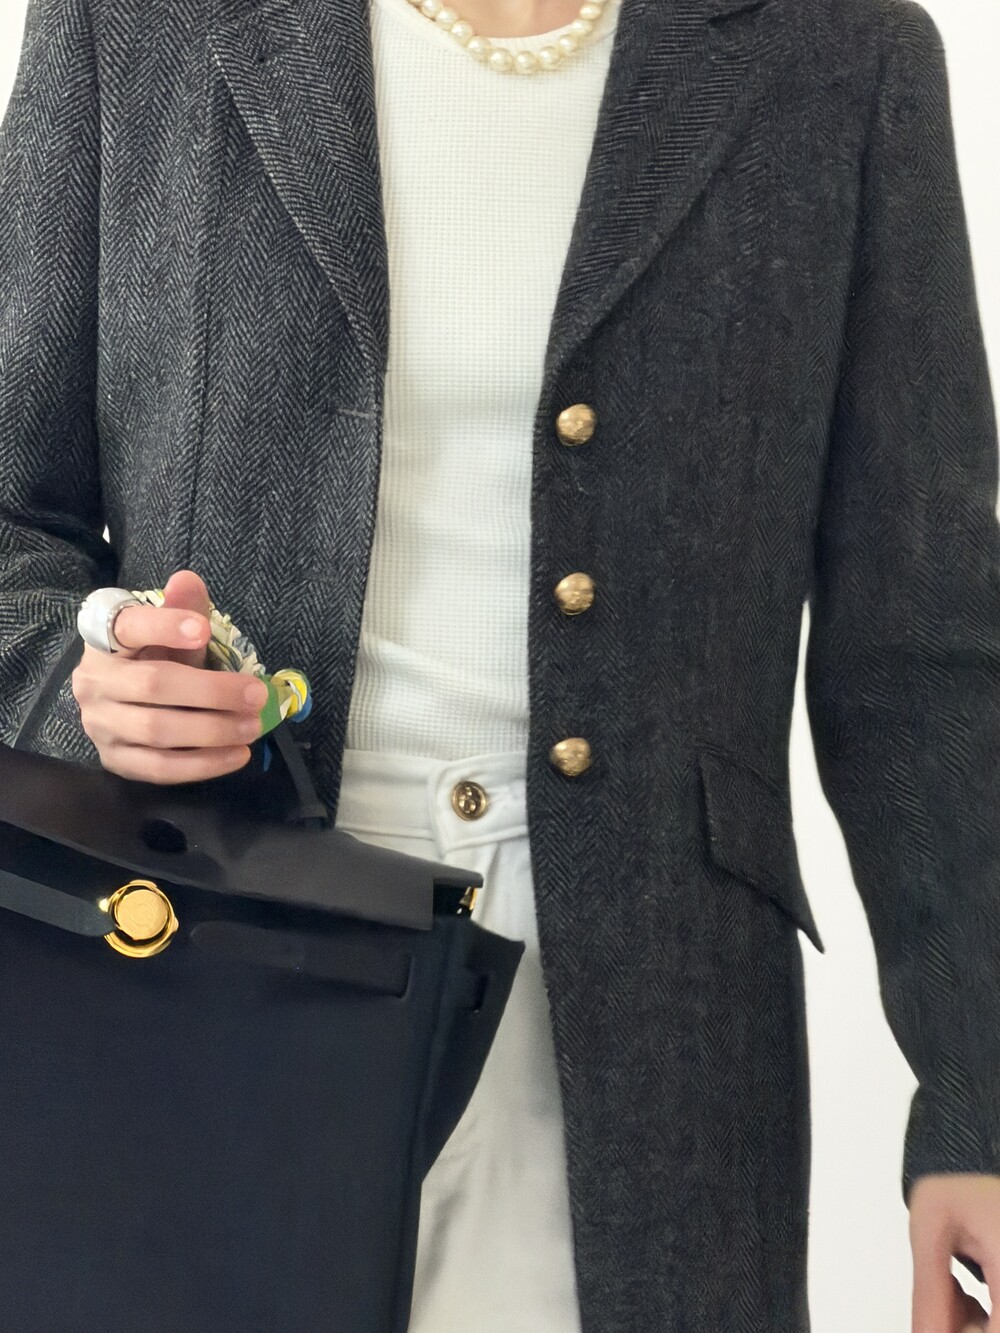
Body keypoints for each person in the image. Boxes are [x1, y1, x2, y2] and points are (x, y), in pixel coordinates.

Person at [1, 0, 999, 1328]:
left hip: (654, 1044)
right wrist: (86, 692)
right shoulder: (137, 24)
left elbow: (923, 648)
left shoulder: (841, 55)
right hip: (204, 986)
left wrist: (979, 1099)